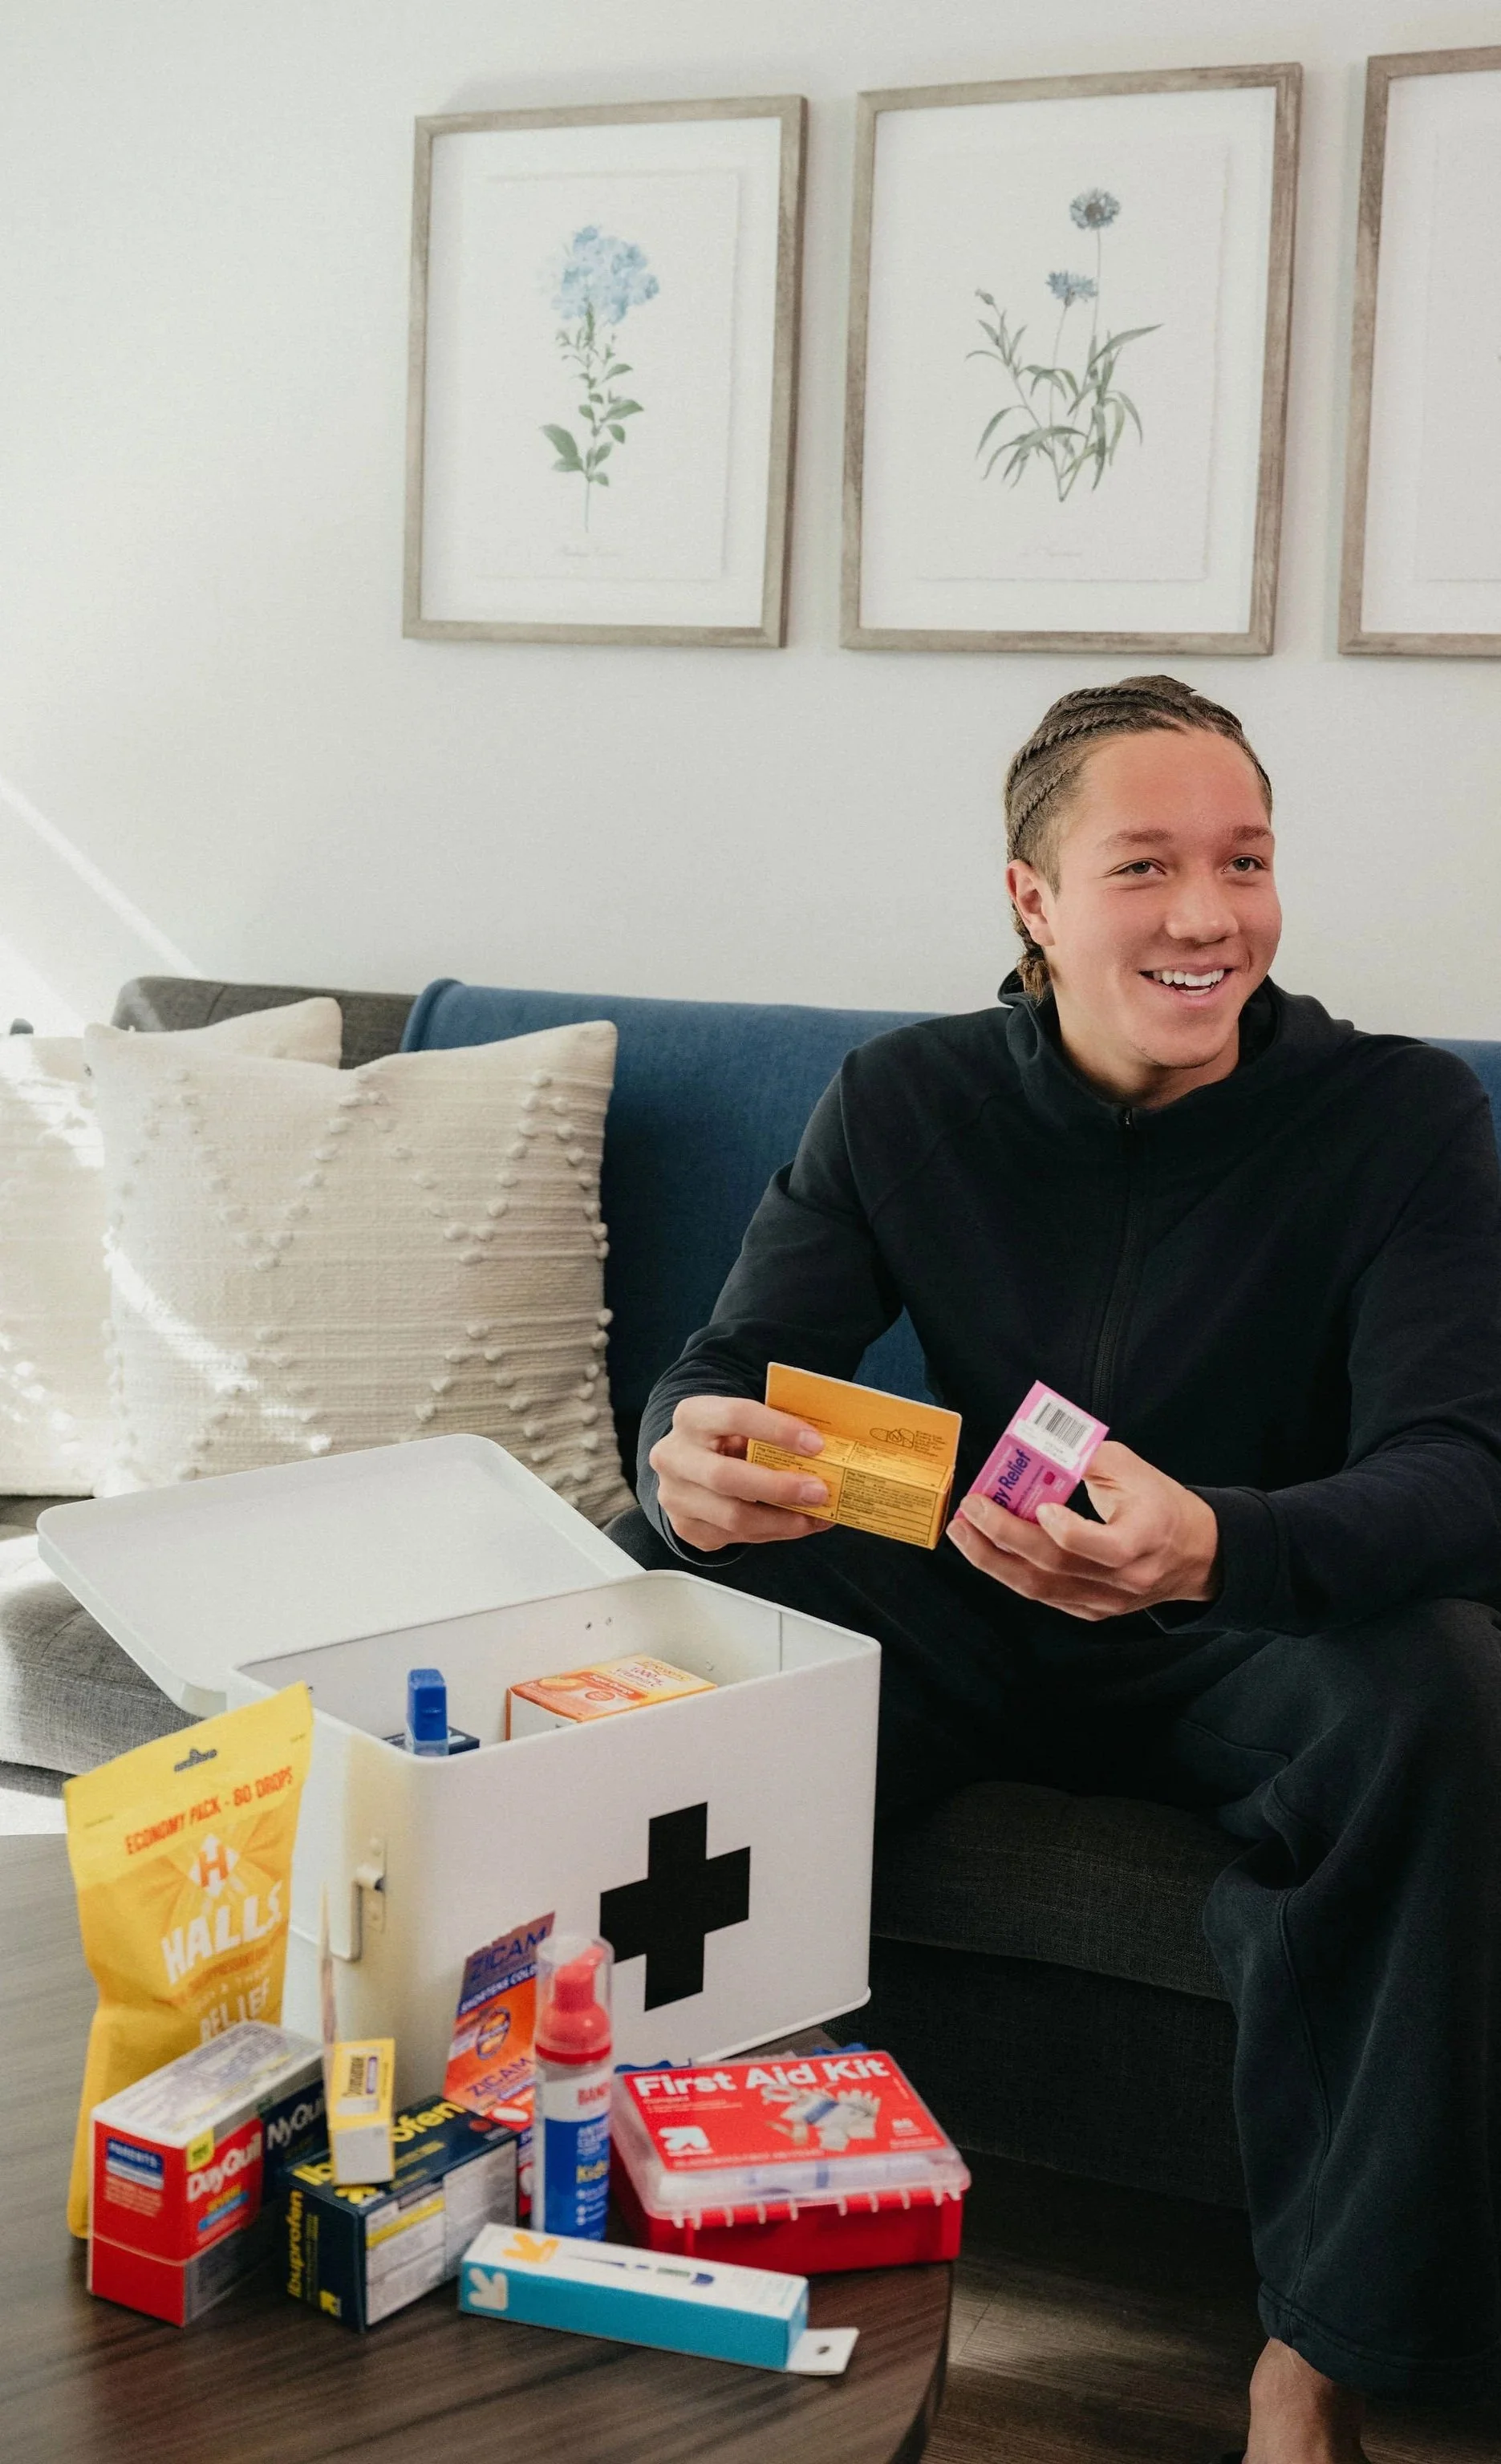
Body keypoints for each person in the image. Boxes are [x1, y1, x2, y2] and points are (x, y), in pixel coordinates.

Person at [608, 675, 1501, 2464]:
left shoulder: (1396, 1119)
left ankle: (1310, 2356)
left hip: (1251, 1614)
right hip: (969, 1584)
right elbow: (734, 1363)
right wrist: (681, 1453)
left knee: (1448, 1697)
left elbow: (1459, 1474)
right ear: (1030, 899)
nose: (1206, 915)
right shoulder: (901, 1099)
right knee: (658, 1591)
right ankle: (700, 2218)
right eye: (1145, 865)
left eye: (1241, 861)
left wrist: (1226, 1543)